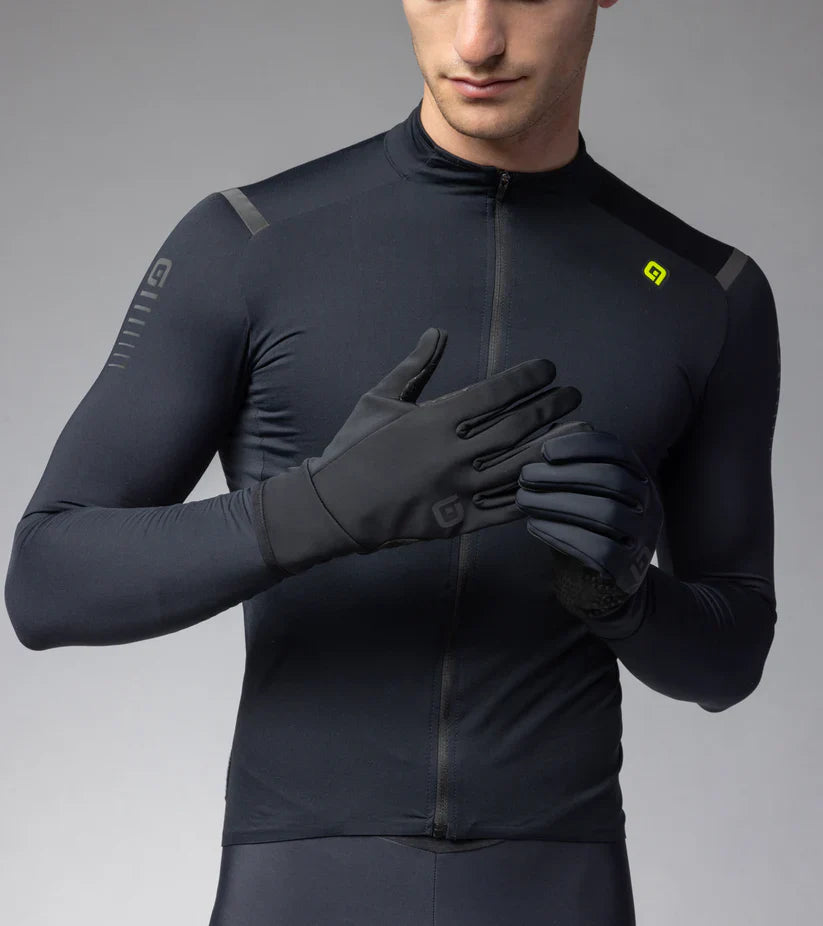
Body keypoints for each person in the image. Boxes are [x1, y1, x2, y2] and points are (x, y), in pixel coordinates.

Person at [4, 1, 781, 922]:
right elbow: (46, 582)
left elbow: (731, 657)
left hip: (557, 882)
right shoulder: (247, 244)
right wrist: (322, 508)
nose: (477, 39)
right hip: (298, 885)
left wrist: (632, 604)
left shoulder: (706, 294)